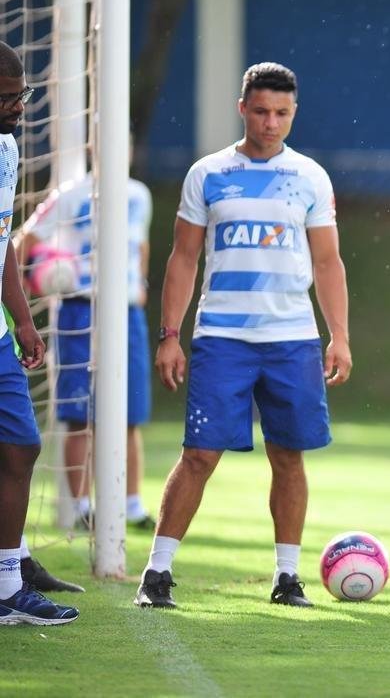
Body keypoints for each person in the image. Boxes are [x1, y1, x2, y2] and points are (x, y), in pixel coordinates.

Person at [134, 62, 352, 610]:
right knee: (200, 455)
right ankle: (156, 573)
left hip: (292, 340)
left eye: (281, 113)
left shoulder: (310, 177)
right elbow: (183, 258)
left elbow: (328, 263)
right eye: (261, 111)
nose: (271, 122)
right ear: (242, 109)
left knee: (289, 457)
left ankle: (287, 577)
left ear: (294, 112)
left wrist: (339, 335)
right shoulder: (207, 173)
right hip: (221, 337)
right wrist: (169, 335)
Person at [16, 171, 156, 531]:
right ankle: (80, 506)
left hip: (126, 312)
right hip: (79, 308)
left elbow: (140, 243)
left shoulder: (138, 193)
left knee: (129, 414)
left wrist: (140, 284)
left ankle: (133, 505)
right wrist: (37, 274)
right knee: (80, 415)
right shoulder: (69, 193)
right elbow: (26, 238)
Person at [0, 40, 79, 625]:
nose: (19, 107)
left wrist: (23, 320)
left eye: (22, 94)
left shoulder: (7, 149)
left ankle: (7, 584)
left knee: (22, 448)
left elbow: (3, 242)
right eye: (8, 98)